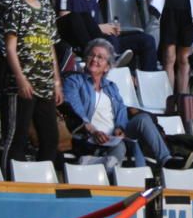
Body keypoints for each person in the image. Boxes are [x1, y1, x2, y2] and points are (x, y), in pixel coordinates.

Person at [62, 38, 178, 168]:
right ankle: (108, 169)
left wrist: (120, 127)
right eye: (92, 55)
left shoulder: (111, 87)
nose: (95, 59)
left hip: (113, 136)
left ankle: (166, 160)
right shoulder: (74, 82)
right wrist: (93, 131)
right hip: (89, 136)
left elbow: (121, 110)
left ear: (107, 67)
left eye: (100, 57)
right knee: (122, 146)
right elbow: (75, 110)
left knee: (143, 119)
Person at [2, 0, 62, 171]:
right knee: (17, 136)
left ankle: (43, 181)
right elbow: (10, 47)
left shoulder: (46, 10)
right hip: (23, 85)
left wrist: (56, 81)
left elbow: (50, 47)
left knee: (50, 138)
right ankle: (9, 181)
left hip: (45, 83)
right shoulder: (16, 6)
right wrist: (20, 78)